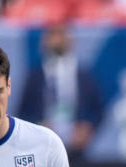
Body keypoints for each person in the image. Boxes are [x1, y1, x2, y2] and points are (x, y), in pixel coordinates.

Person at [18, 24, 103, 158]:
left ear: (71, 40)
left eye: (61, 34)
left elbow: (97, 109)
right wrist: (39, 127)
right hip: (44, 151)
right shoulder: (35, 77)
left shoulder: (84, 76)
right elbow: (23, 113)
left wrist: (87, 128)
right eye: (52, 35)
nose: (57, 40)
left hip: (78, 152)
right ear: (43, 41)